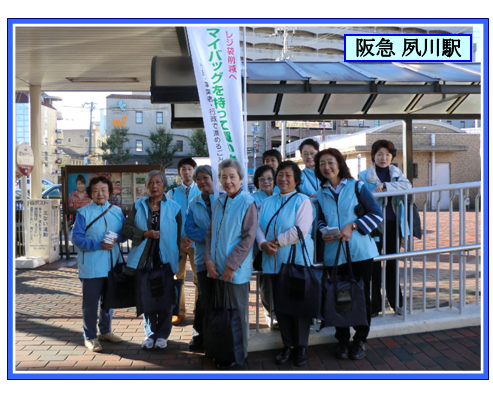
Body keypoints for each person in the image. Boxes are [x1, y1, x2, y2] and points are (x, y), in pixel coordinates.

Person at [315, 148, 383, 360]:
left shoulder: (357, 186)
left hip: (360, 251)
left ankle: (360, 340)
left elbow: (376, 214)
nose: (327, 167)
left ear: (340, 163)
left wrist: (353, 225)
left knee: (361, 296)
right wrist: (323, 231)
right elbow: (320, 220)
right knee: (338, 296)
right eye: (322, 164)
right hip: (334, 252)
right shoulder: (320, 192)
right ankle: (342, 340)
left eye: (331, 162)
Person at [256, 161, 314, 367]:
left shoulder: (303, 201)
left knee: (298, 307)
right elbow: (257, 226)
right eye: (280, 175)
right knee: (281, 307)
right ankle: (288, 344)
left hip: (296, 263)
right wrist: (262, 243)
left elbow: (300, 231)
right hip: (273, 262)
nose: (283, 179)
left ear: (296, 180)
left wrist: (276, 242)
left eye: (288, 175)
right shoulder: (268, 202)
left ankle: (301, 347)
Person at [204, 159, 257, 370]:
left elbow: (248, 238)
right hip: (216, 269)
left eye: (232, 177)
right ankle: (223, 351)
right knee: (221, 312)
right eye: (224, 177)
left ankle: (238, 356)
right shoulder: (219, 202)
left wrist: (231, 265)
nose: (228, 181)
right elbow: (210, 233)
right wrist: (208, 260)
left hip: (235, 271)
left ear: (241, 179)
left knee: (236, 314)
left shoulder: (247, 202)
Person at [123, 170, 181, 349]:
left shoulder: (174, 207)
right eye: (151, 183)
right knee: (146, 296)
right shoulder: (139, 205)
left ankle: (163, 334)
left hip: (165, 258)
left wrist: (175, 258)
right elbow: (127, 228)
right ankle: (150, 333)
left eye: (158, 182)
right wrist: (145, 234)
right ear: (146, 186)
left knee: (164, 297)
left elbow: (178, 237)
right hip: (143, 258)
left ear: (164, 185)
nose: (154, 186)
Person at [72, 176, 126, 352]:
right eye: (96, 190)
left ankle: (105, 331)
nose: (100, 193)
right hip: (91, 266)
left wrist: (118, 237)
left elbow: (125, 234)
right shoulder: (83, 213)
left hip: (112, 265)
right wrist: (98, 245)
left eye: (104, 190)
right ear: (90, 194)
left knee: (108, 302)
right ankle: (90, 337)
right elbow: (77, 239)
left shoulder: (117, 211)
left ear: (110, 192)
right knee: (90, 304)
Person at [359, 140, 412, 317]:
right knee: (373, 264)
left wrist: (386, 186)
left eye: (387, 154)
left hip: (393, 223)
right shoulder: (363, 176)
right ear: (373, 156)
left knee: (393, 262)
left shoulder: (397, 173)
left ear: (392, 157)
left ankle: (396, 302)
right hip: (373, 225)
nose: (384, 158)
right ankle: (374, 305)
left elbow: (407, 186)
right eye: (380, 154)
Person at [185, 165, 216, 351]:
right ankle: (200, 334)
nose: (202, 182)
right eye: (199, 179)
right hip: (202, 258)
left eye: (206, 177)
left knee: (219, 297)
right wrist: (210, 236)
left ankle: (216, 332)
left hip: (222, 257)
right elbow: (190, 229)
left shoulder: (223, 198)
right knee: (204, 297)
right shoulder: (194, 202)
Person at [167, 157, 200, 325]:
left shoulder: (201, 191)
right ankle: (178, 311)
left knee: (198, 278)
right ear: (179, 172)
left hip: (197, 244)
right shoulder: (172, 193)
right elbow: (168, 219)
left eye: (189, 169)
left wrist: (193, 237)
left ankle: (198, 310)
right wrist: (178, 238)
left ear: (194, 171)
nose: (186, 172)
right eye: (183, 169)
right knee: (177, 277)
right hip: (177, 244)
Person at [250, 165, 277, 327]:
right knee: (266, 281)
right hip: (261, 247)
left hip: (280, 244)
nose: (266, 182)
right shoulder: (252, 199)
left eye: (269, 178)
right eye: (262, 179)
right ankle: (270, 313)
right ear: (257, 181)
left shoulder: (280, 195)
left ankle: (279, 311)